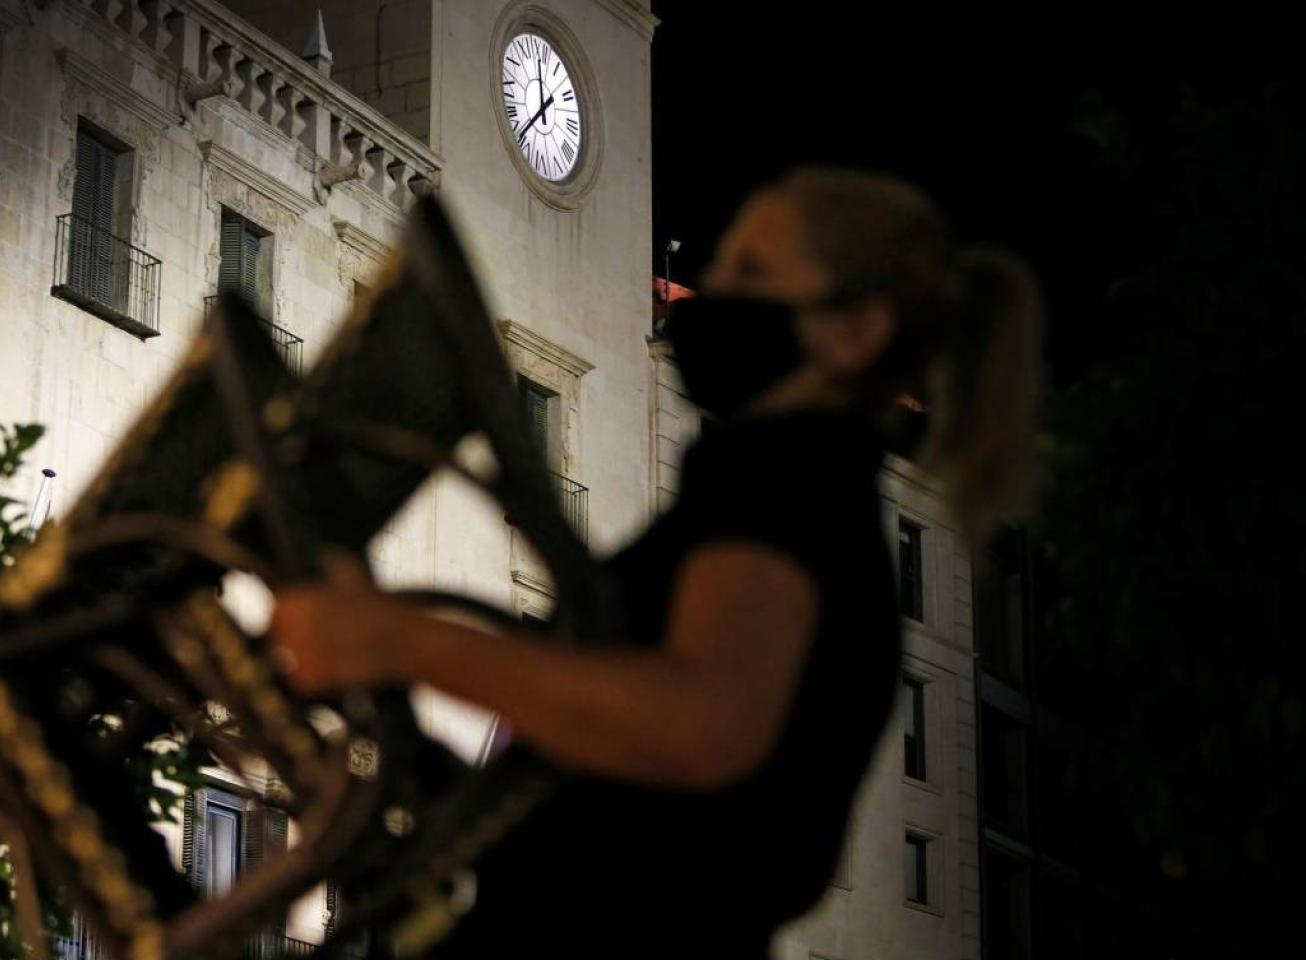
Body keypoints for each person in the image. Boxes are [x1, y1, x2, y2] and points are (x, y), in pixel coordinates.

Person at [270, 163, 1044, 957]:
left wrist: (402, 641)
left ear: (854, 329)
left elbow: (700, 724)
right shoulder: (801, 488)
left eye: (751, 272)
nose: (710, 293)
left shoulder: (785, 484)